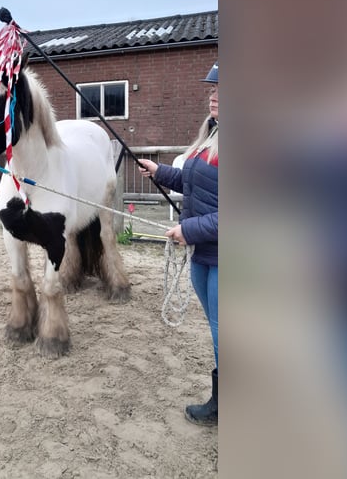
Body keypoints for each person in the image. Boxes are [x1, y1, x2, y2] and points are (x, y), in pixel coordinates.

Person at [138, 61, 219, 426]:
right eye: (213, 89)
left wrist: (189, 230)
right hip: (205, 253)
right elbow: (194, 182)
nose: (214, 95)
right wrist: (160, 172)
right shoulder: (212, 134)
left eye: (223, 89)